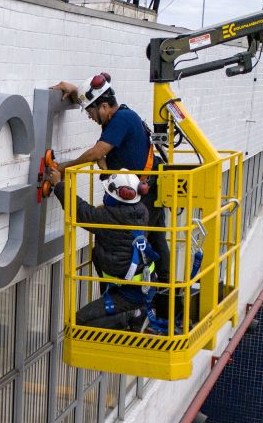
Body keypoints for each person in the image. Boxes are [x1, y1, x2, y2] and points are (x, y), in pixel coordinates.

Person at [49, 72, 171, 274]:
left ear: (104, 107)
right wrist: (76, 92)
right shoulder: (118, 117)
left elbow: (96, 153)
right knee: (156, 239)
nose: (90, 117)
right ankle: (166, 293)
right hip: (147, 186)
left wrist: (61, 167)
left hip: (146, 191)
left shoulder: (122, 119)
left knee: (132, 241)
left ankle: (143, 292)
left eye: (90, 112)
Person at [45, 167, 151, 330]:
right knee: (96, 252)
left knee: (77, 322)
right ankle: (132, 315)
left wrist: (59, 184)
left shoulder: (107, 218)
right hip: (141, 284)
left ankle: (130, 316)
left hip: (128, 294)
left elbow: (80, 211)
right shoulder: (141, 211)